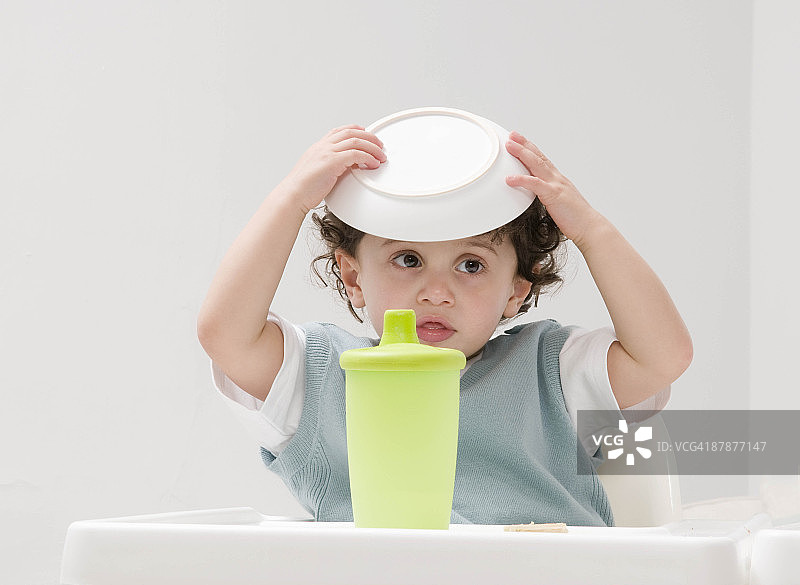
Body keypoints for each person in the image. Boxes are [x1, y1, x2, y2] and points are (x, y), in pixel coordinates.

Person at [197, 123, 693, 526]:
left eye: (471, 265)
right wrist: (291, 199)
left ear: (516, 290)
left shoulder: (553, 371)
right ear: (354, 276)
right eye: (408, 259)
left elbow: (663, 356)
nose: (436, 291)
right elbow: (226, 335)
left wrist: (590, 229)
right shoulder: (323, 376)